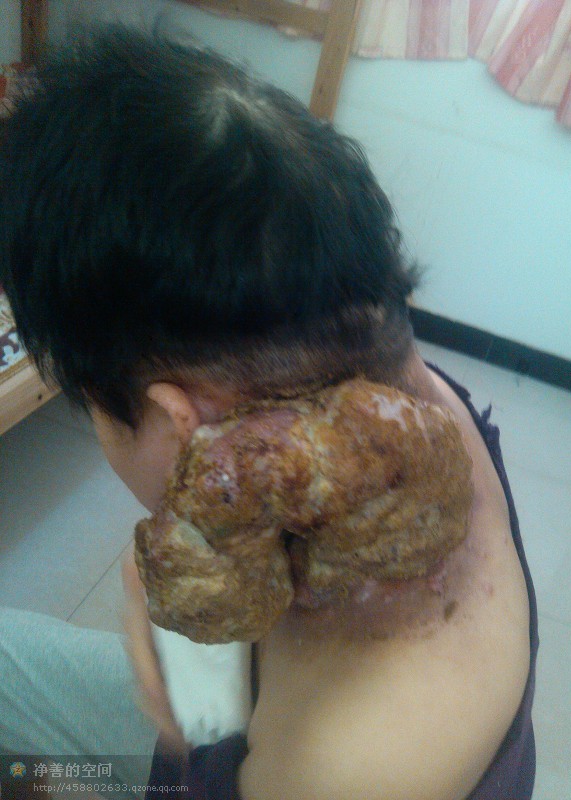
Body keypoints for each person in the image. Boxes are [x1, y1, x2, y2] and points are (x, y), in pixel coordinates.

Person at [0, 27, 538, 800]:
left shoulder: (336, 770)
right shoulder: (402, 407)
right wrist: (169, 589)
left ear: (177, 420)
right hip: (222, 714)